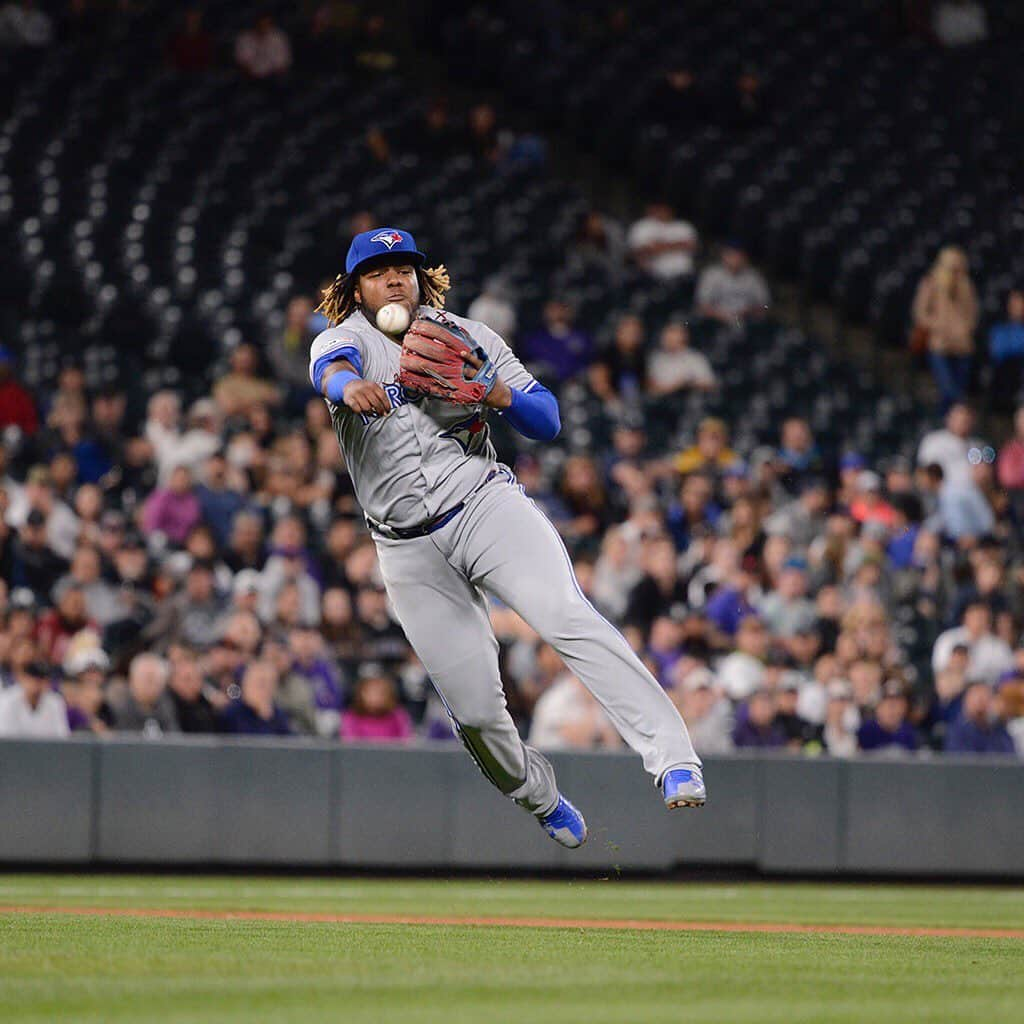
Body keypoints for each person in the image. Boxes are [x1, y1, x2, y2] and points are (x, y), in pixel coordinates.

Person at [309, 226, 705, 849]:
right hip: (406, 546)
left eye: (405, 268)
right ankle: (538, 796)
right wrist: (346, 387)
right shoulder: (343, 341)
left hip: (483, 505)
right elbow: (330, 372)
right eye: (379, 270)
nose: (394, 278)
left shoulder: (469, 337)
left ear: (420, 276)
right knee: (474, 713)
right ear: (356, 287)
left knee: (564, 612)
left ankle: (673, 756)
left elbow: (545, 418)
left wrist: (493, 392)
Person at [911, 247, 978, 412]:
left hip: (962, 347)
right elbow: (920, 312)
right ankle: (946, 425)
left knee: (959, 392)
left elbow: (973, 313)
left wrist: (964, 328)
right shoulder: (931, 283)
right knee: (949, 390)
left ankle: (951, 423)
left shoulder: (967, 286)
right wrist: (938, 325)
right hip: (940, 345)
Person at [695, 242, 770, 323]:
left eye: (739, 255)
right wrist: (721, 315)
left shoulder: (754, 277)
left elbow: (765, 306)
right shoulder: (711, 274)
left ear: (745, 257)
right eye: (731, 255)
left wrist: (749, 311)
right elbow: (701, 304)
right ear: (724, 256)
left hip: (747, 320)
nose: (735, 259)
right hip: (715, 320)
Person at [626, 201, 697, 283]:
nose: (662, 211)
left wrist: (659, 246)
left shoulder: (683, 226)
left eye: (664, 208)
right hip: (653, 277)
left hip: (683, 275)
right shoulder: (642, 226)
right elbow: (640, 252)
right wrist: (677, 245)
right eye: (658, 208)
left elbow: (691, 246)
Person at [0, 660, 68, 737]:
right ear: (22, 678)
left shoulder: (55, 702)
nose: (37, 683)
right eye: (33, 678)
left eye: (42, 679)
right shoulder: (8, 700)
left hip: (46, 749)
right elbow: (5, 739)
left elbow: (62, 737)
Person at [646, 322, 717, 396]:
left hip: (689, 400)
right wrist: (675, 387)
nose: (669, 339)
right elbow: (650, 387)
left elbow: (709, 385)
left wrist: (687, 384)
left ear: (683, 337)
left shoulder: (694, 358)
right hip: (662, 401)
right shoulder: (655, 358)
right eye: (667, 336)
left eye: (674, 335)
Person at [945, 681, 1015, 755]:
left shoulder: (999, 731)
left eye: (984, 697)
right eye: (976, 697)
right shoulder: (956, 731)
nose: (980, 702)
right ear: (965, 700)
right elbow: (959, 761)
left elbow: (1010, 758)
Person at [234, 14, 291, 79]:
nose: (263, 27)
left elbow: (283, 62)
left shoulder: (279, 38)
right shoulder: (244, 38)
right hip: (249, 76)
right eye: (261, 24)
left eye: (266, 24)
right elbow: (241, 61)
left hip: (274, 76)